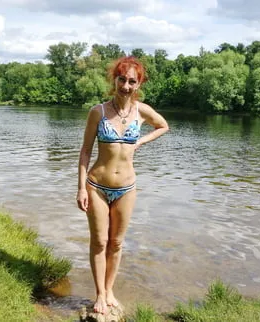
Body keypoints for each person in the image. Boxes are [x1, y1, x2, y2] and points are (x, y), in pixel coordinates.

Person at [76, 56, 169, 314]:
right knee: (99, 241)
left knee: (116, 243)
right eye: (121, 79)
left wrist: (140, 142)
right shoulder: (99, 112)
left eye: (131, 81)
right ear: (114, 80)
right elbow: (85, 151)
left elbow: (163, 126)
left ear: (138, 84)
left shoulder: (142, 111)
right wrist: (81, 187)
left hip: (127, 188)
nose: (125, 86)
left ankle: (110, 290)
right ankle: (99, 295)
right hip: (97, 185)